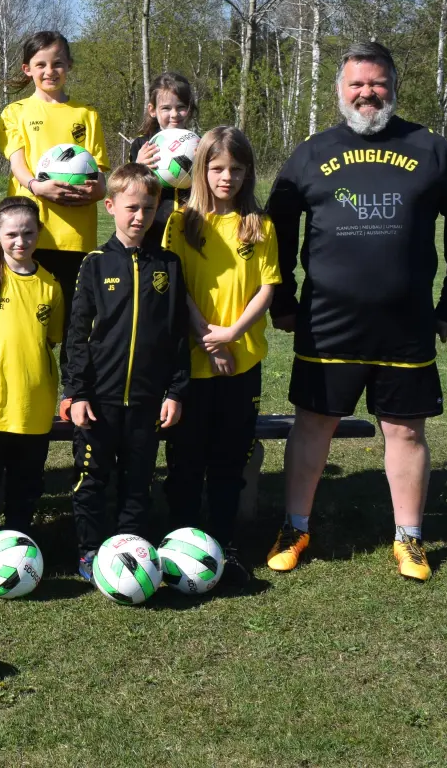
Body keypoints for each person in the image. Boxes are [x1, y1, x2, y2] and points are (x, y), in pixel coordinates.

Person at [264, 41, 447, 582]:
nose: (367, 93)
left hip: (405, 323)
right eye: (357, 84)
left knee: (406, 432)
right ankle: (295, 527)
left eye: (377, 83)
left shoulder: (431, 149)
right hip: (327, 322)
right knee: (313, 425)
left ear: (393, 88)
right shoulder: (311, 153)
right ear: (340, 91)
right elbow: (276, 230)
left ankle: (409, 538)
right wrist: (284, 301)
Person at [161, 127, 279, 586]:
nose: (226, 177)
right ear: (201, 171)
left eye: (236, 169)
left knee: (230, 460)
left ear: (248, 172)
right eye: (216, 168)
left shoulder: (259, 225)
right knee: (186, 460)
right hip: (189, 363)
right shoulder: (181, 222)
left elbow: (267, 287)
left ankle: (225, 545)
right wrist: (209, 338)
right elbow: (176, 287)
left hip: (242, 361)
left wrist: (231, 335)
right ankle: (179, 542)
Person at [66, 163, 189, 581]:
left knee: (138, 480)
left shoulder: (169, 265)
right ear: (110, 206)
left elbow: (178, 335)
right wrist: (77, 393)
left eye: (148, 208)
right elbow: (77, 334)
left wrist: (175, 391)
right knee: (91, 479)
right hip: (98, 400)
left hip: (147, 399)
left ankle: (131, 551)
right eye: (131, 208)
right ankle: (88, 551)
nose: (140, 217)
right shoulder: (96, 263)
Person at [0, 197, 66, 579]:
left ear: (40, 234)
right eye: (12, 234)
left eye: (29, 233)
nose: (21, 241)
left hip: (33, 408)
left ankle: (20, 559)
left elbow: (50, 340)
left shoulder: (50, 285)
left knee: (24, 491)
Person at [0, 31, 108, 299]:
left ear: (69, 65)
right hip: (29, 232)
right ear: (27, 69)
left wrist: (98, 191)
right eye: (41, 65)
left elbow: (99, 172)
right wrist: (37, 187)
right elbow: (18, 165)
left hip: (77, 236)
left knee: (73, 315)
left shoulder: (87, 114)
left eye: (57, 63)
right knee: (31, 313)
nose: (50, 71)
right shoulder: (14, 112)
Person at [129, 71, 197, 246]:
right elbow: (127, 191)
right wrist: (138, 167)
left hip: (193, 228)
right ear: (152, 110)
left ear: (189, 109)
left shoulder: (201, 144)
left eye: (181, 107)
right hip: (153, 231)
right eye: (166, 108)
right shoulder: (142, 145)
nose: (174, 114)